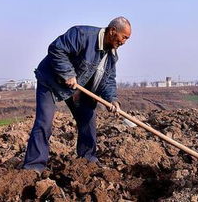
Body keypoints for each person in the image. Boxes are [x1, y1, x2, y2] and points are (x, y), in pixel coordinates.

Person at [23, 17, 131, 172]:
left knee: (88, 120)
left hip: (77, 88)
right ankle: (34, 167)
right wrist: (67, 73)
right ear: (113, 31)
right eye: (124, 37)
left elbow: (108, 80)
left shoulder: (111, 55)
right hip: (51, 81)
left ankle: (88, 161)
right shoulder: (82, 34)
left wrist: (112, 99)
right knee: (44, 122)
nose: (124, 42)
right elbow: (56, 49)